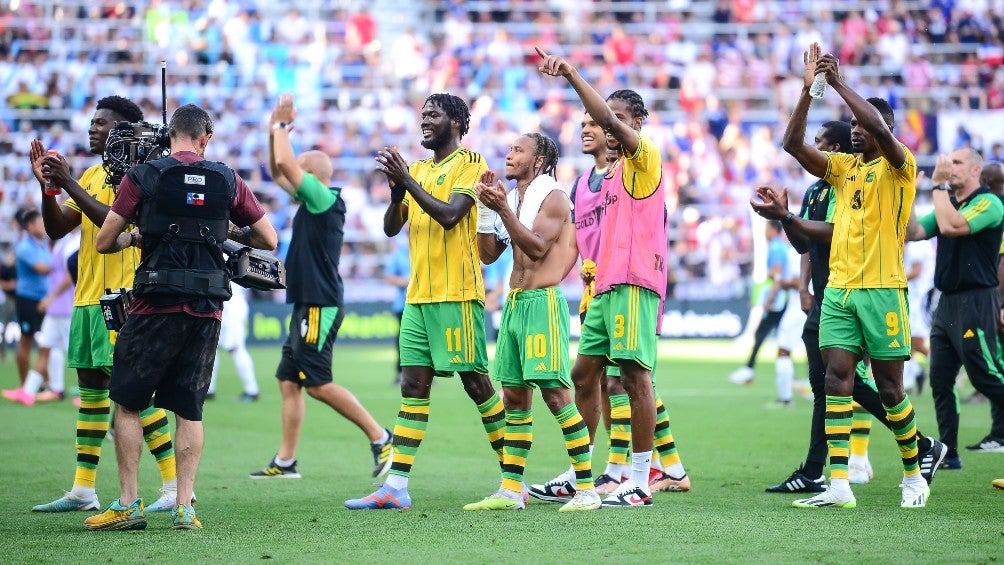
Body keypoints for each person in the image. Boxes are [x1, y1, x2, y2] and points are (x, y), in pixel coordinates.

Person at [758, 42, 946, 508]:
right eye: (854, 126)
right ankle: (838, 485)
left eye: (864, 125)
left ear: (882, 130)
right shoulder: (843, 170)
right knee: (836, 380)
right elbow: (792, 144)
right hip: (839, 291)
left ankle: (913, 473)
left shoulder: (901, 168)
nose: (856, 131)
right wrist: (808, 91)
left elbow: (880, 128)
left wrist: (839, 82)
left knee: (889, 388)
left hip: (883, 292)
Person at [88, 103, 277, 530]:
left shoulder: (144, 175)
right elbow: (268, 237)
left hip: (155, 302)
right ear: (205, 138)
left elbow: (104, 241)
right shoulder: (227, 178)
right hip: (207, 307)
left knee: (128, 402)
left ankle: (128, 503)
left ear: (169, 136)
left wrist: (138, 236)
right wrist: (224, 230)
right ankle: (185, 507)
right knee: (190, 410)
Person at [345, 93, 507, 510]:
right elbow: (389, 229)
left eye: (433, 115)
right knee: (413, 385)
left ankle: (514, 477)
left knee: (476, 385)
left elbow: (452, 215)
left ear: (456, 122)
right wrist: (397, 191)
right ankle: (396, 487)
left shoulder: (471, 163)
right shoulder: (416, 170)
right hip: (417, 297)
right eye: (423, 115)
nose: (425, 122)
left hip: (458, 294)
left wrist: (409, 183)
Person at [29, 96, 182, 514]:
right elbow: (59, 228)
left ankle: (171, 488)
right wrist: (49, 188)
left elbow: (117, 221)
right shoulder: (94, 173)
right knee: (91, 395)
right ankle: (83, 490)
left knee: (136, 396)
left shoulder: (142, 175)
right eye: (92, 122)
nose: (92, 128)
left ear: (125, 131)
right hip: (87, 299)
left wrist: (69, 183)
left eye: (103, 123)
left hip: (123, 299)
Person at [534, 47, 668, 507]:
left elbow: (609, 126)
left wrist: (571, 73)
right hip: (605, 287)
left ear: (634, 124)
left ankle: (640, 479)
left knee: (633, 377)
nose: (605, 124)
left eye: (616, 119)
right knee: (584, 374)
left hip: (632, 282)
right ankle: (581, 472)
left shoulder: (645, 159)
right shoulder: (605, 178)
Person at [757, 121, 913, 493]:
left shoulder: (884, 170)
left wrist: (788, 218)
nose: (817, 147)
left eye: (824, 143)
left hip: (875, 288)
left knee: (878, 386)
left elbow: (830, 232)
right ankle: (828, 475)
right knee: (829, 383)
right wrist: (804, 279)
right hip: (831, 295)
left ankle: (915, 453)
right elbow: (804, 245)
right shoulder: (822, 186)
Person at [250, 95, 393, 480]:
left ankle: (382, 438)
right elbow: (280, 170)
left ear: (311, 177)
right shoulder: (314, 200)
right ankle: (286, 461)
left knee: (317, 384)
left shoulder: (323, 198)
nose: (293, 177)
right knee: (287, 380)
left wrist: (280, 129)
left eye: (301, 171)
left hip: (319, 303)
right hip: (307, 303)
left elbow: (283, 165)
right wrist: (272, 133)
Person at [463, 133, 600, 512]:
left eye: (518, 150)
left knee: (555, 395)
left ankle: (586, 489)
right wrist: (487, 211)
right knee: (514, 396)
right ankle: (511, 490)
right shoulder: (517, 199)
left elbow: (538, 248)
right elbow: (489, 255)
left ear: (539, 161)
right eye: (508, 149)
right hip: (515, 302)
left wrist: (502, 208)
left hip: (543, 303)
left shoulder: (552, 195)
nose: (509, 155)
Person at [906, 147, 1004, 465]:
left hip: (976, 300)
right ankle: (948, 452)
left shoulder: (989, 203)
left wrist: (936, 186)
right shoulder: (949, 203)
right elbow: (914, 232)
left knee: (985, 374)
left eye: (957, 162)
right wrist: (909, 193)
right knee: (940, 378)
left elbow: (952, 227)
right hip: (946, 303)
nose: (949, 166)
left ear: (976, 170)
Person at [2, 226, 78, 404]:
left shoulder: (75, 241)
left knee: (75, 351)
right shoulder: (63, 240)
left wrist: (50, 297)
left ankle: (86, 392)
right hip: (55, 305)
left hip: (65, 304)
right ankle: (36, 391)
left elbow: (70, 275)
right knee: (46, 346)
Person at [728, 221, 789, 386]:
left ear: (774, 230)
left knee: (763, 333)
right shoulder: (780, 247)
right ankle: (749, 369)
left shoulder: (776, 248)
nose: (764, 233)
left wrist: (770, 299)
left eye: (767, 229)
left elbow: (776, 275)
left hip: (778, 299)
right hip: (780, 297)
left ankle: (749, 370)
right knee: (773, 335)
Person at [12, 209, 51, 387]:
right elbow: (43, 269)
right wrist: (63, 267)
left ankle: (44, 383)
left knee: (46, 342)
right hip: (27, 300)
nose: (43, 226)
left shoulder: (42, 245)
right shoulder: (24, 247)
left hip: (44, 300)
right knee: (26, 340)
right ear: (29, 226)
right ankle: (24, 384)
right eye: (40, 223)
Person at [206, 280, 259, 402]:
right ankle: (208, 390)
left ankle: (252, 390)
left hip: (230, 305)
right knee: (211, 348)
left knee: (236, 348)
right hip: (221, 303)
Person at [902, 238, 935, 393]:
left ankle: (945, 367)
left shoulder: (917, 244)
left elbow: (916, 271)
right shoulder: (916, 242)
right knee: (908, 340)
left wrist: (891, 279)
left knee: (916, 341)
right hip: (913, 297)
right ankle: (911, 377)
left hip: (919, 298)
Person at [384, 234, 410, 386]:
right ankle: (400, 373)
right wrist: (402, 282)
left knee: (426, 340)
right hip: (403, 304)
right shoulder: (399, 254)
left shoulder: (426, 249)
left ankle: (428, 373)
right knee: (402, 340)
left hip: (423, 302)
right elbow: (389, 276)